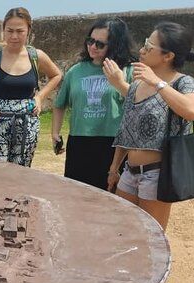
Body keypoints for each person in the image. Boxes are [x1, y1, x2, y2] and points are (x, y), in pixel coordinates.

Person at [107, 22, 194, 230]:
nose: (141, 50)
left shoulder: (183, 82)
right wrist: (115, 167)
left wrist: (158, 83)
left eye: (149, 47)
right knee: (123, 231)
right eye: (144, 44)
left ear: (168, 56)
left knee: (152, 237)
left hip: (158, 173)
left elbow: (192, 111)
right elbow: (127, 129)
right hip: (129, 172)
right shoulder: (138, 84)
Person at [51, 18, 135, 190]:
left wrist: (120, 83)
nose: (93, 47)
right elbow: (60, 104)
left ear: (115, 45)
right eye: (90, 41)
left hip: (113, 144)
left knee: (110, 198)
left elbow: (139, 103)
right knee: (77, 196)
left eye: (100, 44)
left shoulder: (128, 70)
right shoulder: (75, 71)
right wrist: (55, 133)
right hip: (79, 142)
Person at [0, 7, 62, 167]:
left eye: (20, 31)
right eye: (10, 31)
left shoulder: (36, 56)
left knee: (21, 175)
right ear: (3, 31)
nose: (14, 36)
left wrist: (40, 97)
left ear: (29, 30)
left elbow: (56, 75)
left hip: (27, 126)